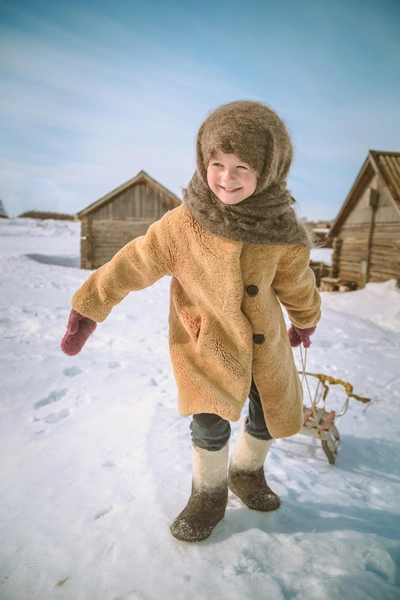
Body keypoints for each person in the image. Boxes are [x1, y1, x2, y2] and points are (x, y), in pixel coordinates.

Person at [61, 100, 321, 543]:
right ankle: (209, 493)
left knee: (267, 415)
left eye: (242, 166)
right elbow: (134, 261)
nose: (226, 177)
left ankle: (247, 472)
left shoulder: (282, 231)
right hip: (206, 345)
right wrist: (90, 305)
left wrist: (304, 319)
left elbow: (297, 282)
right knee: (209, 422)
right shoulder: (185, 224)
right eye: (216, 163)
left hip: (265, 345)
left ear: (270, 167)